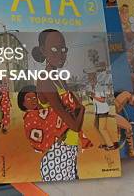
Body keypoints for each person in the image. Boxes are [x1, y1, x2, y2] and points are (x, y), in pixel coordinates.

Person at [33, 29, 86, 181]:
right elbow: (75, 125)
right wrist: (80, 110)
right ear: (43, 51)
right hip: (57, 156)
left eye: (64, 50)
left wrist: (77, 111)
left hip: (69, 151)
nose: (61, 55)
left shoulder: (60, 79)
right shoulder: (45, 80)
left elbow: (74, 117)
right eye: (55, 49)